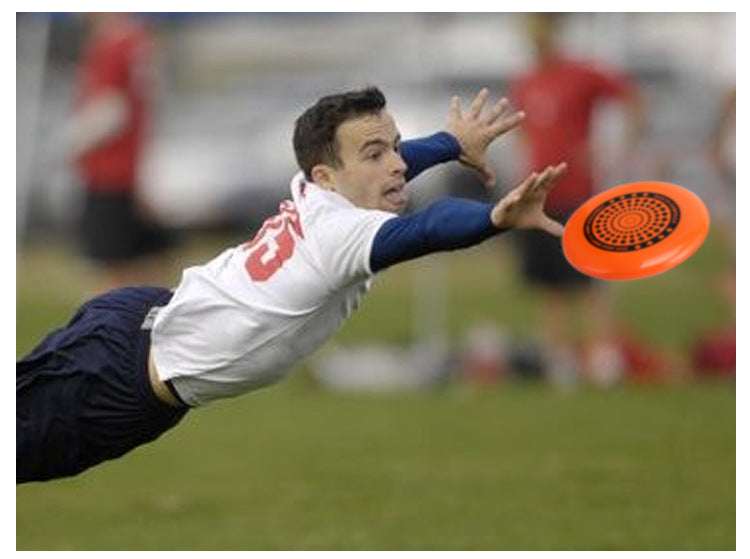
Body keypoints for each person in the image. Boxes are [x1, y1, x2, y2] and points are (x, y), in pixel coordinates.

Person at [17, 86, 567, 484]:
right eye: (377, 154)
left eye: (395, 147)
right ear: (325, 174)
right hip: (128, 377)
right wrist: (493, 218)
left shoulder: (317, 189)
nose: (398, 164)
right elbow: (425, 230)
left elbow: (391, 167)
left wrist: (449, 142)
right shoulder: (341, 234)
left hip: (136, 319)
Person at [508, 13, 644, 387]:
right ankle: (559, 362)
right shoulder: (525, 80)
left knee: (590, 279)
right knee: (548, 283)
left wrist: (615, 149)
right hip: (538, 195)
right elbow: (524, 134)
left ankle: (604, 360)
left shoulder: (581, 73)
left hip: (579, 191)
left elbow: (631, 99)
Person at [60, 13, 175, 291]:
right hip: (131, 164)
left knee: (111, 262)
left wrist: (72, 142)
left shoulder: (112, 43)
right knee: (143, 257)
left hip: (108, 169)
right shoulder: (137, 39)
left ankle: (109, 321)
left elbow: (111, 109)